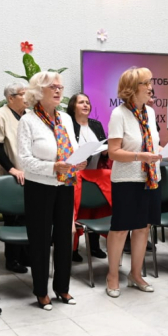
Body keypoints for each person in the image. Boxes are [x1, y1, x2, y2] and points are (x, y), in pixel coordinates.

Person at [17, 72, 86, 310]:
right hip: (39, 187)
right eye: (52, 86)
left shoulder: (65, 118)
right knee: (40, 240)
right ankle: (41, 291)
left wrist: (79, 161)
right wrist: (52, 167)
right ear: (39, 91)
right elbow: (24, 160)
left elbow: (72, 148)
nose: (58, 90)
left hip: (65, 184)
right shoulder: (28, 120)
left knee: (65, 238)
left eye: (60, 87)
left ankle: (62, 288)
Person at [105, 67, 167, 297]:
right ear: (132, 88)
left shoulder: (150, 112)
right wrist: (140, 156)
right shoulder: (119, 114)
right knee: (121, 229)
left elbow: (154, 145)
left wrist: (166, 151)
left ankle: (135, 274)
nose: (151, 87)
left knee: (143, 228)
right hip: (126, 179)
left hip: (150, 178)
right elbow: (113, 152)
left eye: (151, 82)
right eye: (146, 83)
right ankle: (112, 276)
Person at [0, 81, 29, 274]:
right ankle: (12, 260)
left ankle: (26, 256)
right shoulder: (0, 115)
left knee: (28, 218)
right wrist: (12, 169)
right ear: (10, 98)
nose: (27, 97)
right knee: (13, 219)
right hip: (9, 175)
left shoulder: (29, 115)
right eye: (23, 94)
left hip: (29, 175)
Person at [67, 92, 108, 261]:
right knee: (77, 213)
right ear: (73, 107)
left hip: (95, 174)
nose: (85, 105)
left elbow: (104, 145)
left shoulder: (96, 124)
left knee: (94, 211)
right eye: (81, 102)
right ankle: (73, 250)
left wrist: (105, 151)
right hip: (75, 176)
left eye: (87, 102)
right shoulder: (69, 124)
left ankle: (94, 246)